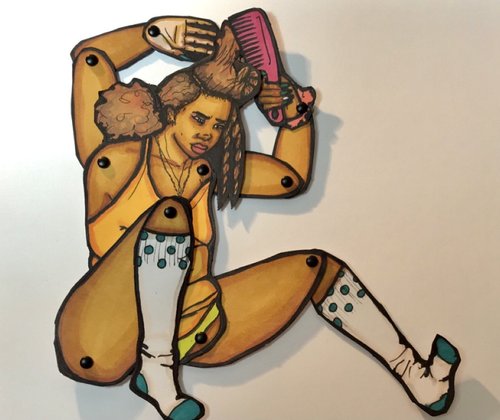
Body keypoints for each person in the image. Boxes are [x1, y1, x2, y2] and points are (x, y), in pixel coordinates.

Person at [55, 13, 460, 420]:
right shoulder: (115, 158)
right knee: (171, 214)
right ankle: (155, 369)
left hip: (198, 330)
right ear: (172, 111)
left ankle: (419, 377)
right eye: (199, 119)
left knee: (318, 267)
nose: (207, 134)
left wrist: (294, 116)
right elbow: (90, 58)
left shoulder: (207, 171)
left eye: (218, 126)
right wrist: (153, 35)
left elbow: (288, 177)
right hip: (102, 337)